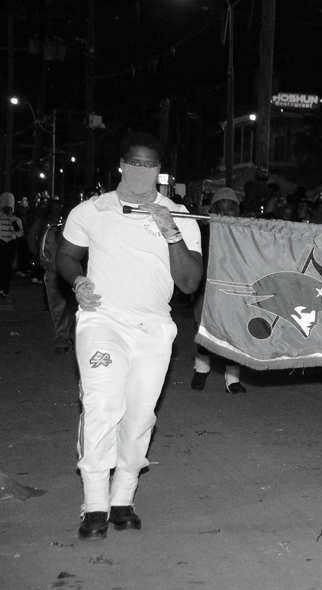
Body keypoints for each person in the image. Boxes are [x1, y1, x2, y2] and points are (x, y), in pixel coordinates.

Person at [56, 132, 203, 540]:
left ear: (161, 171)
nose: (142, 171)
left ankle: (123, 499)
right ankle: (95, 505)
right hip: (103, 321)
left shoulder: (180, 215)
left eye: (150, 165)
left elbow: (190, 283)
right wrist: (78, 280)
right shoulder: (92, 210)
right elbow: (65, 255)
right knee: (103, 404)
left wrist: (172, 232)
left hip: (154, 327)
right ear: (121, 165)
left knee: (140, 414)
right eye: (135, 164)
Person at [191, 188, 246, 394]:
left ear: (237, 211)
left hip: (235, 290)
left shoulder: (247, 233)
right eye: (220, 209)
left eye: (230, 209)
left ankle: (232, 379)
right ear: (212, 210)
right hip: (206, 289)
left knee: (233, 335)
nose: (225, 213)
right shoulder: (202, 231)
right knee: (206, 335)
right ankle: (201, 368)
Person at [39, 199, 77, 354]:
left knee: (76, 309)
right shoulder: (53, 231)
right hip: (55, 275)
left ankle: (74, 337)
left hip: (75, 275)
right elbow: (42, 252)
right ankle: (62, 340)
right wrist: (50, 265)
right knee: (58, 310)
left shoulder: (81, 234)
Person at [0, 192, 24, 298]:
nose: (6, 209)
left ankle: (5, 289)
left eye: (8, 207)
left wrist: (13, 223)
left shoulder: (16, 220)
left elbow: (19, 234)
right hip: (0, 243)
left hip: (10, 244)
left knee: (7, 267)